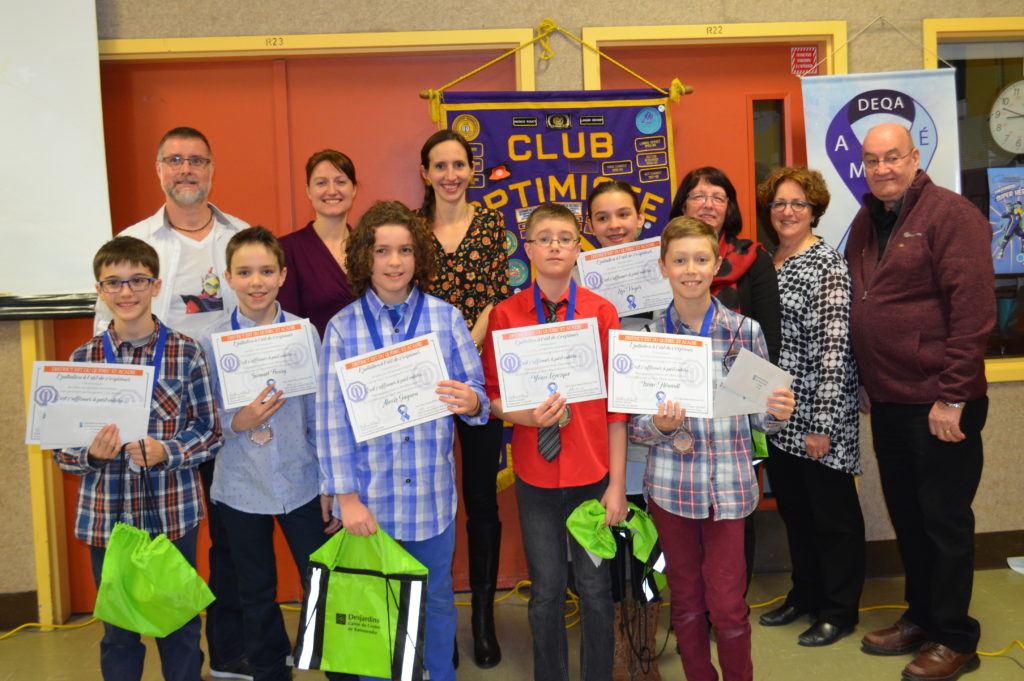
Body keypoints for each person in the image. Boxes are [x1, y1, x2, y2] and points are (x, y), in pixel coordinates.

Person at [93, 126, 252, 680]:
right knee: (154, 546)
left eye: (197, 160)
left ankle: (228, 653)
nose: (186, 169)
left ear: (212, 169)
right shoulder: (133, 242)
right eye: (175, 159)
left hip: (228, 415)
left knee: (229, 541)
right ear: (159, 169)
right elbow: (102, 347)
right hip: (154, 426)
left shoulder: (241, 236)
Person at [845, 123, 995, 681]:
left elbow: (973, 310)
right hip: (890, 400)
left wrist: (953, 395)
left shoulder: (951, 215)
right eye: (872, 160)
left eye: (892, 157)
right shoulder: (868, 220)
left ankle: (955, 638)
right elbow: (866, 302)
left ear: (914, 158)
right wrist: (867, 377)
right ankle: (923, 617)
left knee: (943, 524)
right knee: (910, 520)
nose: (882, 168)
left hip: (940, 402)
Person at [317, 200, 489, 681]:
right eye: (382, 251)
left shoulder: (445, 318)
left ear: (419, 256)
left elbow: (477, 395)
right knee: (376, 606)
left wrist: (471, 401)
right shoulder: (343, 328)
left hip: (431, 499)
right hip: (371, 501)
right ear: (364, 258)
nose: (395, 262)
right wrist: (346, 498)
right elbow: (331, 419)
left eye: (406, 250)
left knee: (436, 601)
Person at [629, 217, 795, 681]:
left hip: (730, 490)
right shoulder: (647, 339)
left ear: (717, 264)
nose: (691, 270)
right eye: (679, 260)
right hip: (671, 490)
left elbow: (761, 420)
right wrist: (658, 426)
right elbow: (634, 426)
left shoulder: (745, 331)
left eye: (701, 259)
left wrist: (777, 411)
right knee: (686, 602)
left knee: (728, 606)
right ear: (663, 267)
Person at [55, 235, 221, 681]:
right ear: (99, 290)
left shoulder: (186, 352)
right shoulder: (82, 359)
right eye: (113, 282)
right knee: (119, 633)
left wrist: (168, 451)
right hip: (107, 519)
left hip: (172, 515)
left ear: (156, 286)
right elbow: (62, 453)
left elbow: (209, 432)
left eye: (137, 280)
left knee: (179, 628)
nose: (125, 292)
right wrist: (90, 454)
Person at [481, 203, 627, 681]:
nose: (555, 247)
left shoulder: (601, 313)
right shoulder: (505, 315)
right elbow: (493, 397)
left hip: (593, 473)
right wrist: (524, 416)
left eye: (565, 238)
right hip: (536, 475)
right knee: (545, 590)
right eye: (544, 238)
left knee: (595, 587)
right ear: (527, 248)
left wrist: (617, 486)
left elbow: (617, 407)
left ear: (578, 247)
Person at [201, 227, 353, 681]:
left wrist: (329, 483)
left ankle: (339, 668)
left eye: (267, 271)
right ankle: (269, 670)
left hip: (301, 481)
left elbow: (321, 414)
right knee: (254, 590)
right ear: (229, 277)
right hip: (239, 485)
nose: (257, 282)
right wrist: (237, 421)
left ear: (283, 275)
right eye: (245, 272)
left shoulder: (304, 334)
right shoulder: (211, 343)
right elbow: (201, 420)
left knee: (322, 581)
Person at [753, 168, 864, 647]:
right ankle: (805, 595)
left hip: (820, 414)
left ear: (814, 209)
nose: (787, 211)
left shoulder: (826, 264)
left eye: (798, 203)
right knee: (796, 514)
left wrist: (822, 426)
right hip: (777, 415)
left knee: (833, 519)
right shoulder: (766, 262)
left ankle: (838, 611)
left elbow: (835, 349)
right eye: (779, 203)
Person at [418, 129, 510, 668]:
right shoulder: (411, 228)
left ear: (472, 170)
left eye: (459, 164)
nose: (450, 174)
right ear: (425, 173)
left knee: (480, 499)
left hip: (479, 378)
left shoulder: (493, 225)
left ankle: (482, 619)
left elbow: (498, 298)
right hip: (425, 383)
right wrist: (441, 362)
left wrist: (464, 351)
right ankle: (439, 622)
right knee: (429, 498)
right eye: (440, 165)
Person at [669, 166, 781, 591]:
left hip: (737, 416)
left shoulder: (754, 257)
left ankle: (731, 600)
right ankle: (692, 609)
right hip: (679, 418)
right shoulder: (666, 258)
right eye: (699, 196)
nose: (708, 204)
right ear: (683, 205)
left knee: (735, 515)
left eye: (718, 196)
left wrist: (747, 397)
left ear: (729, 207)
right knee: (682, 519)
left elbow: (768, 337)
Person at [587, 180, 660, 681]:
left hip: (658, 437)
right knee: (612, 543)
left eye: (623, 215)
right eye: (603, 217)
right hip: (604, 440)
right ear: (589, 226)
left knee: (651, 544)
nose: (615, 225)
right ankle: (617, 645)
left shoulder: (666, 272)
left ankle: (645, 645)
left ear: (640, 219)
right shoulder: (577, 283)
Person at [278, 149, 358, 339]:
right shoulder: (286, 250)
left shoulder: (371, 247)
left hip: (370, 356)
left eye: (340, 182)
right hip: (316, 356)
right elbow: (287, 325)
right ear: (308, 190)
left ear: (354, 189)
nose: (332, 190)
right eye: (321, 183)